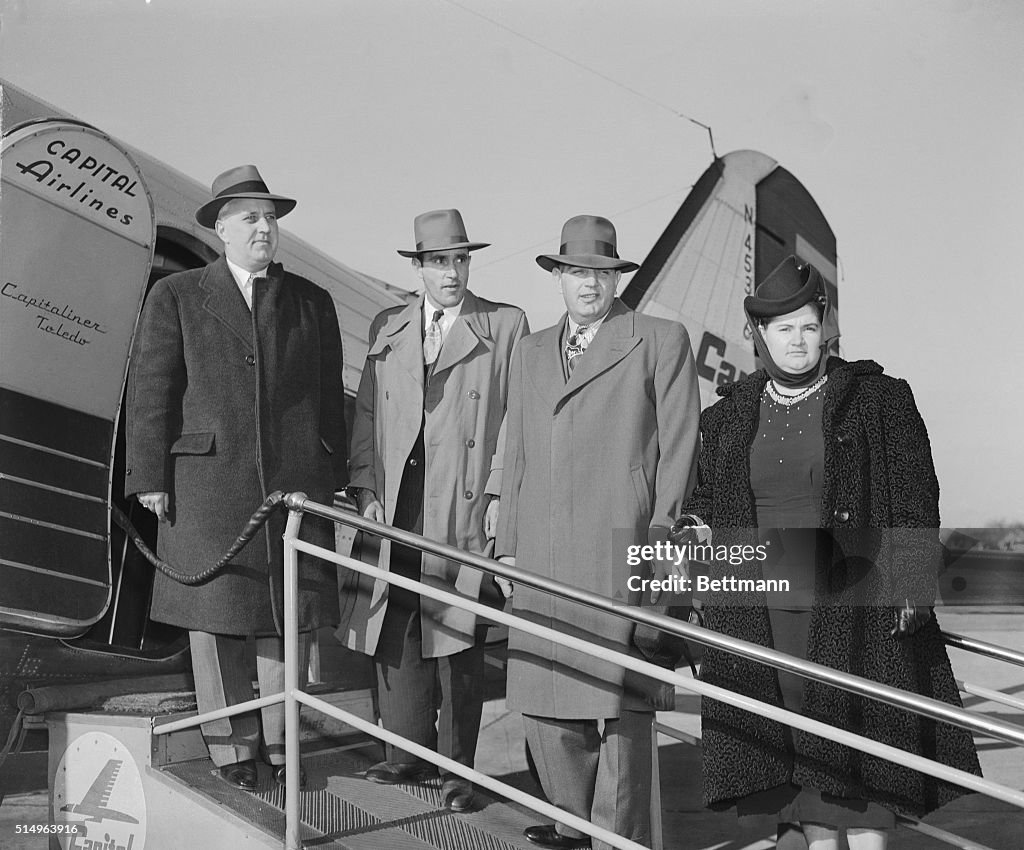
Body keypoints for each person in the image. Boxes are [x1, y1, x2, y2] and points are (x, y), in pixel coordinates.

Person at [675, 256, 981, 850]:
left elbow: (918, 494)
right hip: (759, 616)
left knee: (859, 786)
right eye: (782, 328)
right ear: (760, 336)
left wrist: (912, 582)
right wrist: (694, 538)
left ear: (825, 327)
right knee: (791, 780)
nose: (797, 340)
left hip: (850, 617)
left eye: (808, 326)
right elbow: (710, 500)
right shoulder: (729, 415)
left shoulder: (879, 399)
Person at [125, 164, 347, 791]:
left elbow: (330, 401)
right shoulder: (176, 295)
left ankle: (282, 748)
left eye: (271, 218)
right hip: (205, 486)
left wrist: (329, 477)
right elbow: (153, 393)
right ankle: (232, 751)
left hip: (293, 487)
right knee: (216, 622)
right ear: (220, 226)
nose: (264, 228)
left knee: (286, 620)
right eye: (250, 217)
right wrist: (150, 475)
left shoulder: (312, 302)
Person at [494, 215, 701, 850]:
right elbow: (517, 450)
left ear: (617, 278)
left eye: (602, 273)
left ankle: (624, 837)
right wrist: (505, 547)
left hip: (622, 541)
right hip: (542, 552)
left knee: (621, 708)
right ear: (558, 278)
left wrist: (662, 545)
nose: (590, 284)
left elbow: (679, 447)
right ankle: (569, 822)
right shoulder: (529, 351)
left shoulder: (660, 339)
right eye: (577, 272)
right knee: (546, 692)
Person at [337, 208, 529, 813]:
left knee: (456, 638)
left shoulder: (505, 324)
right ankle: (404, 754)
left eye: (460, 260)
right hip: (398, 498)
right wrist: (365, 484)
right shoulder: (388, 325)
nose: (451, 272)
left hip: (462, 499)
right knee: (395, 625)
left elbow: (514, 423)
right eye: (439, 261)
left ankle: (458, 772)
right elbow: (367, 415)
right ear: (419, 266)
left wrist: (499, 494)